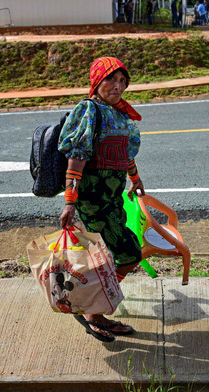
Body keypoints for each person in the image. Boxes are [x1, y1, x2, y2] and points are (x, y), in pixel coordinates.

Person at [59, 56, 145, 343]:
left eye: (122, 81)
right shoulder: (89, 110)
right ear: (97, 81)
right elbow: (77, 155)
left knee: (107, 257)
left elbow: (125, 156)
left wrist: (135, 179)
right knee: (129, 252)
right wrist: (70, 200)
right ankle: (93, 313)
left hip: (113, 199)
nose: (117, 86)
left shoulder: (121, 116)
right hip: (93, 199)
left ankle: (91, 306)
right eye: (111, 79)